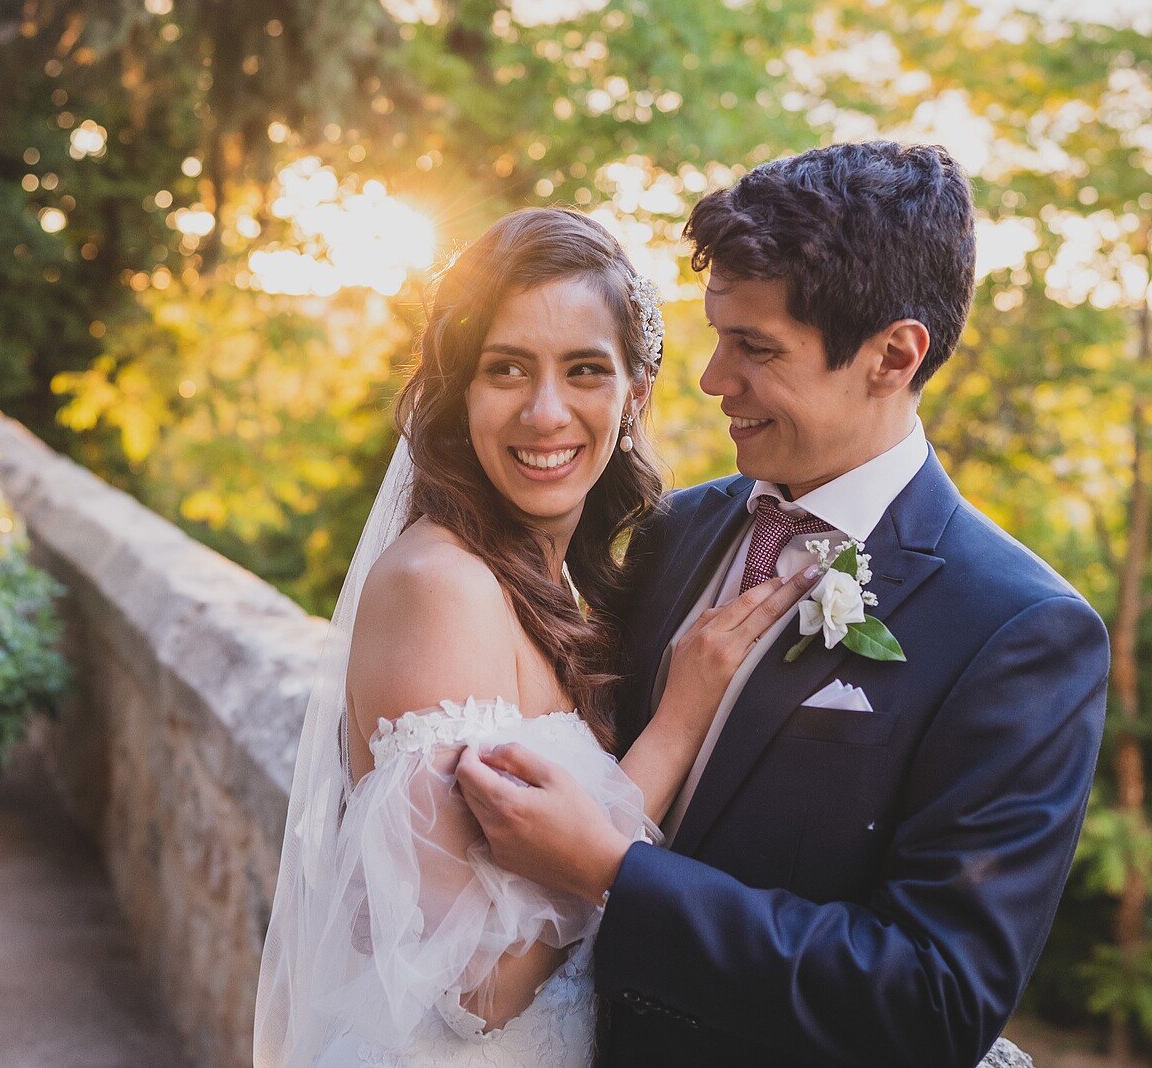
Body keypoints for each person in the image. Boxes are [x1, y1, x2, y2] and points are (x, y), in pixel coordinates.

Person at [455, 142, 1109, 1068]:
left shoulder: (1018, 632)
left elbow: (933, 999)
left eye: (755, 348)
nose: (713, 378)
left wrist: (611, 871)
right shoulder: (673, 531)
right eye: (718, 336)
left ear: (894, 354)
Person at [254, 208, 814, 1067]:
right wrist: (677, 725)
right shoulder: (438, 586)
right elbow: (476, 990)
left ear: (636, 391)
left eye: (584, 369)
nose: (545, 412)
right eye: (506, 368)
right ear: (460, 391)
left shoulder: (556, 580)